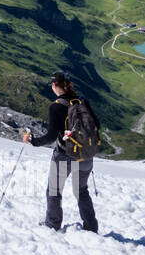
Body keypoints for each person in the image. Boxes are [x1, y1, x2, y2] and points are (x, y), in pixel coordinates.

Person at [23, 71, 99, 233]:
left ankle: (53, 224)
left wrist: (33, 141)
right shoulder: (81, 102)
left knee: (54, 190)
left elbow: (51, 136)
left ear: (54, 86)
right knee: (81, 191)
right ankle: (91, 227)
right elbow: (96, 125)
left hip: (64, 155)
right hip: (86, 156)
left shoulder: (57, 106)